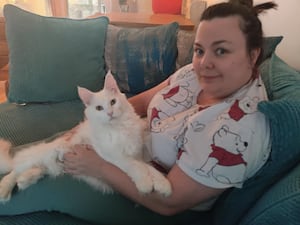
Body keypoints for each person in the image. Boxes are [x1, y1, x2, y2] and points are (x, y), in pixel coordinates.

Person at [0, 0, 277, 224]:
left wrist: (99, 166)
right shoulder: (194, 73)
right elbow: (144, 100)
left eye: (221, 51)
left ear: (253, 55)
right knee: (44, 149)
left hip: (147, 196)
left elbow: (171, 203)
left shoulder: (241, 127)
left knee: (30, 191)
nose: (204, 63)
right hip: (123, 145)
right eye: (199, 50)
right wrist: (101, 123)